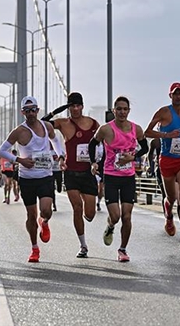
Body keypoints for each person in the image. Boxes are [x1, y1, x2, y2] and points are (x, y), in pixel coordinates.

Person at [0, 96, 65, 263]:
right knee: (30, 214)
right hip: (27, 178)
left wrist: (60, 156)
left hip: (45, 176)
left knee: (46, 211)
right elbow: (2, 151)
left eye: (33, 109)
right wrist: (20, 160)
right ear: (23, 112)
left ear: (38, 110)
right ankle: (34, 248)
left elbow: (55, 141)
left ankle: (44, 221)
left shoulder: (47, 126)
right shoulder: (18, 131)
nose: (31, 113)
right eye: (27, 110)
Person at [89, 96, 148, 262]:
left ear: (129, 111)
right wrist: (94, 162)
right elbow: (92, 144)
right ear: (114, 110)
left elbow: (145, 147)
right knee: (115, 216)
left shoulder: (136, 129)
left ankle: (122, 249)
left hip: (128, 177)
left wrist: (133, 157)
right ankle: (110, 226)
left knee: (127, 216)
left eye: (125, 109)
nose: (122, 112)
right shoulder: (105, 129)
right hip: (111, 176)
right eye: (119, 109)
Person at [43, 92, 101, 258]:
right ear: (68, 107)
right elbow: (42, 124)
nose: (75, 109)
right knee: (77, 207)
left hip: (88, 172)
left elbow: (102, 142)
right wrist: (56, 111)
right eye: (72, 106)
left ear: (82, 106)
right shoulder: (63, 123)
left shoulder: (93, 123)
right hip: (70, 172)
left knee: (89, 214)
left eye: (78, 106)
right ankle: (83, 246)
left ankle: (85, 215)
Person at [145, 82, 180, 254]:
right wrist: (166, 135)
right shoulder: (164, 112)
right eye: (175, 94)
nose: (178, 96)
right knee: (172, 198)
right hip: (167, 160)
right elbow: (147, 132)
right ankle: (169, 216)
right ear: (170, 96)